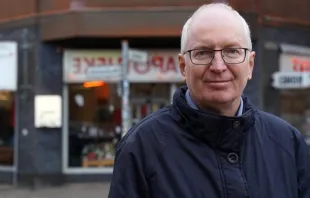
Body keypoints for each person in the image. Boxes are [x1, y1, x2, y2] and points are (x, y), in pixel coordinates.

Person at [108, 3, 310, 198]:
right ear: (183, 66)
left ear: (250, 65)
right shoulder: (142, 147)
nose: (218, 66)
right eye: (203, 52)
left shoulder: (287, 142)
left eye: (232, 51)